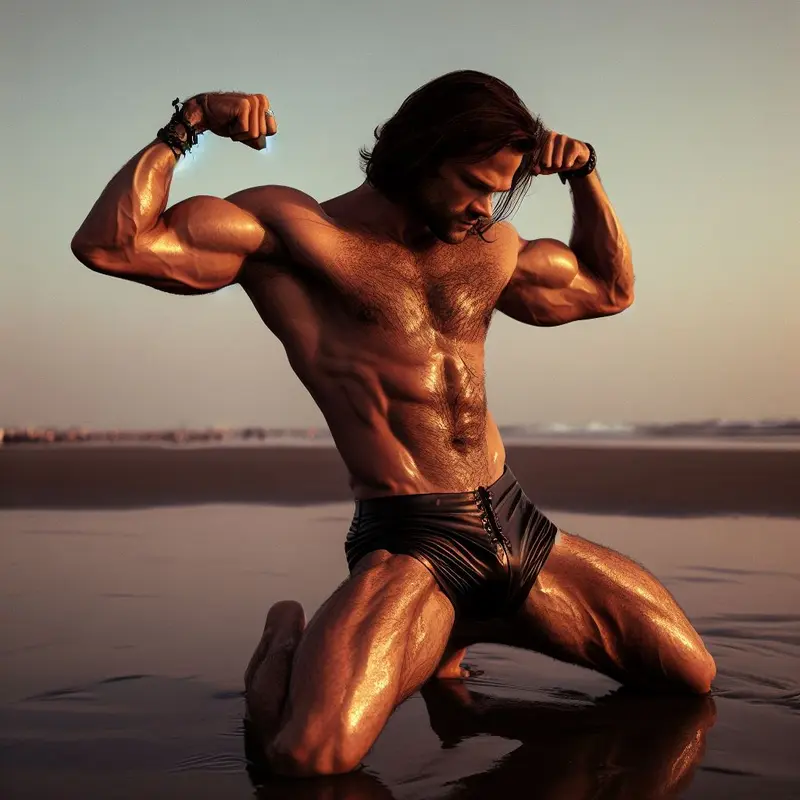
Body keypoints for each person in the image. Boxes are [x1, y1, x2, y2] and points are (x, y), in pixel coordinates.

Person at [72, 70, 716, 778]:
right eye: (474, 182)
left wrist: (585, 176)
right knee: (311, 754)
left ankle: (460, 631)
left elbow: (610, 289)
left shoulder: (491, 250)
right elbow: (111, 244)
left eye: (501, 188)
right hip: (414, 540)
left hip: (518, 524)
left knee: (691, 672)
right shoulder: (296, 235)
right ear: (418, 153)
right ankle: (290, 641)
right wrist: (188, 123)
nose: (486, 205)